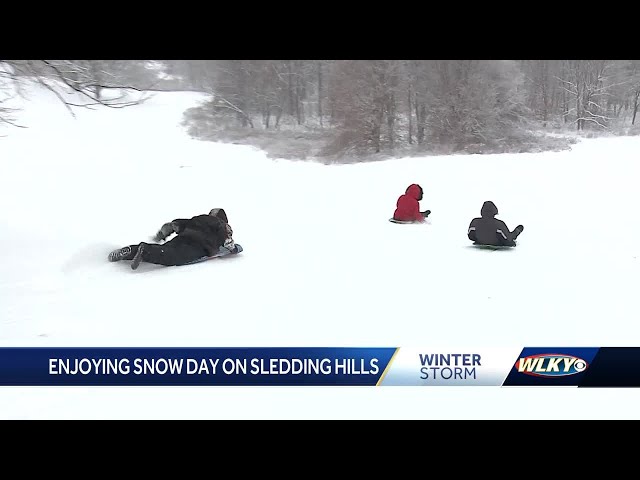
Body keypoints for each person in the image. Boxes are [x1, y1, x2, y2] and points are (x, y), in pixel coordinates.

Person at [108, 208, 238, 270]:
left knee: (165, 249)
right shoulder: (221, 225)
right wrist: (232, 248)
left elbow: (177, 224)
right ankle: (145, 250)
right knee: (172, 256)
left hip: (183, 237)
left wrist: (165, 232)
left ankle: (130, 250)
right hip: (199, 245)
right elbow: (226, 239)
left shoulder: (200, 218)